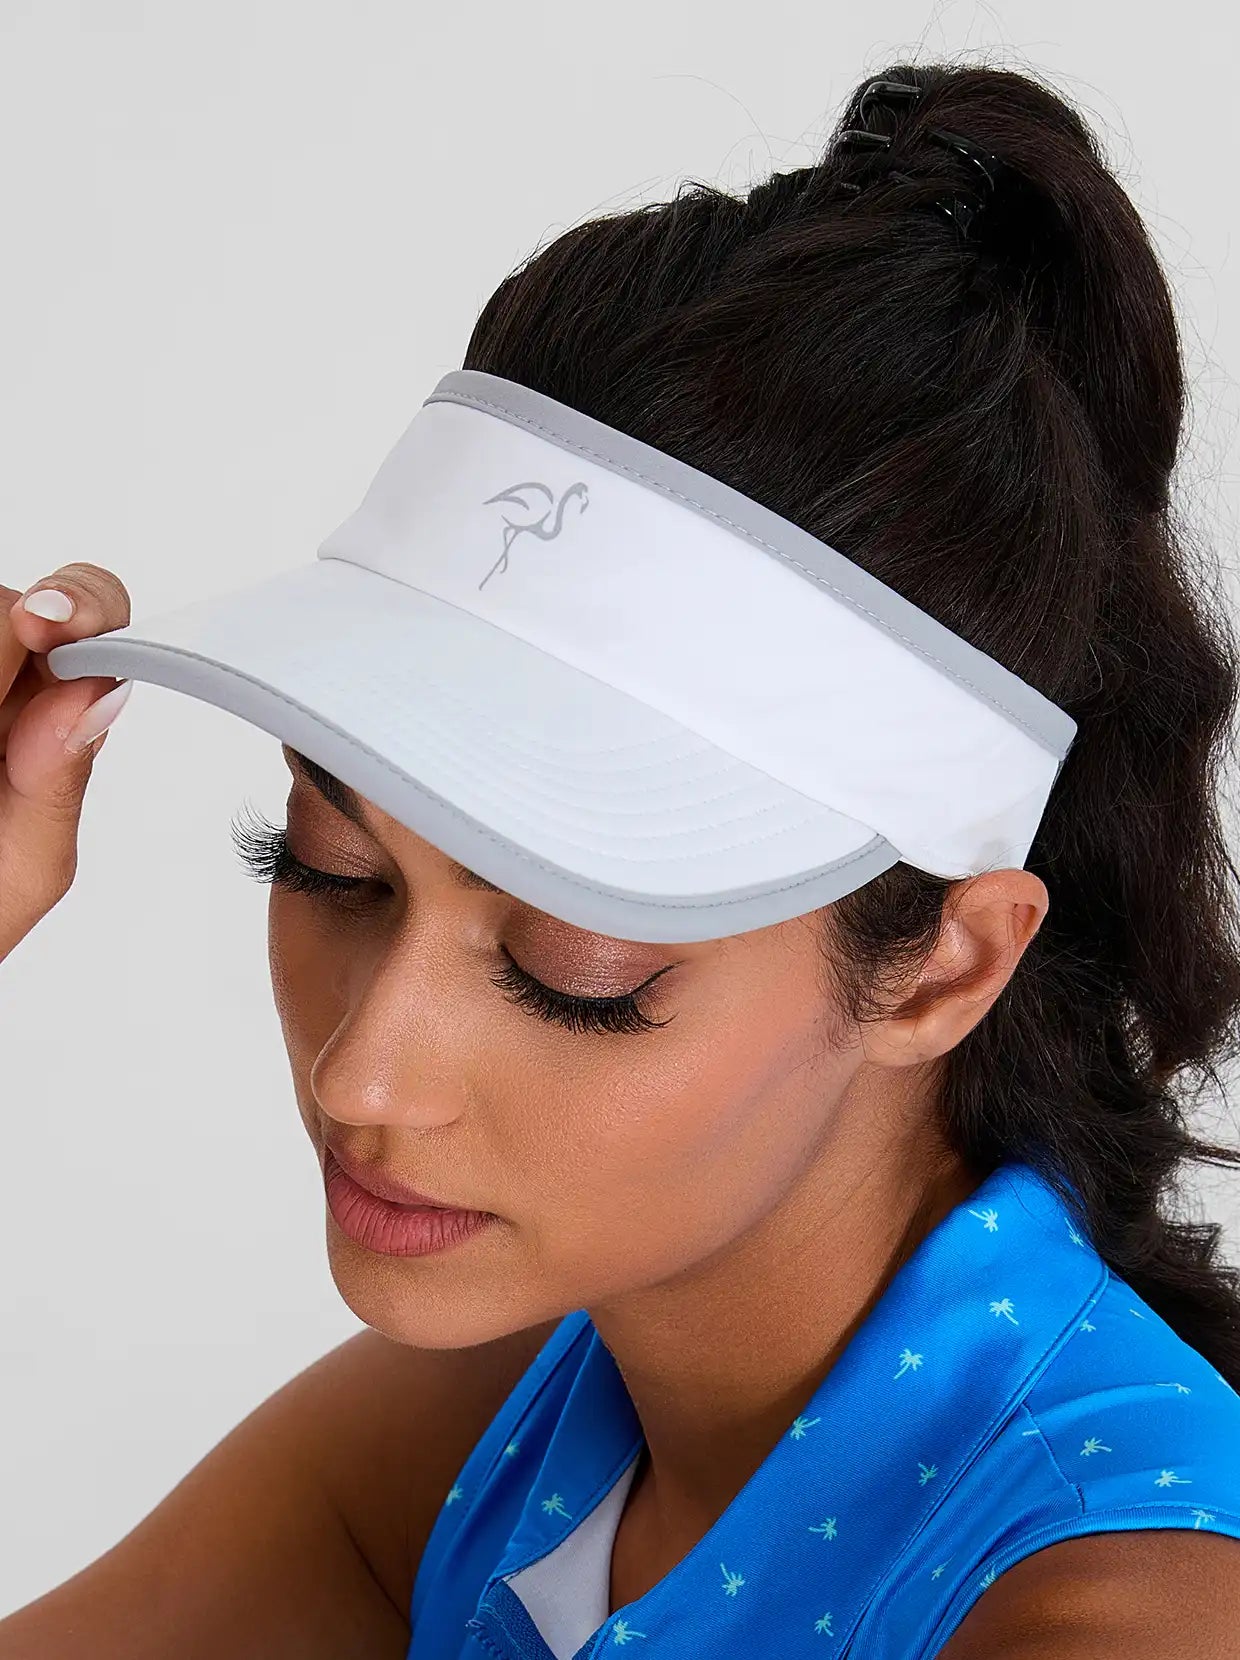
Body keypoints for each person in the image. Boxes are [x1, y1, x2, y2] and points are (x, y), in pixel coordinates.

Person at [3, 58, 1240, 1660]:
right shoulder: (488, 1433)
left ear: (945, 965)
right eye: (331, 866)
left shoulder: (1124, 1619)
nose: (364, 1074)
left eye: (572, 971)